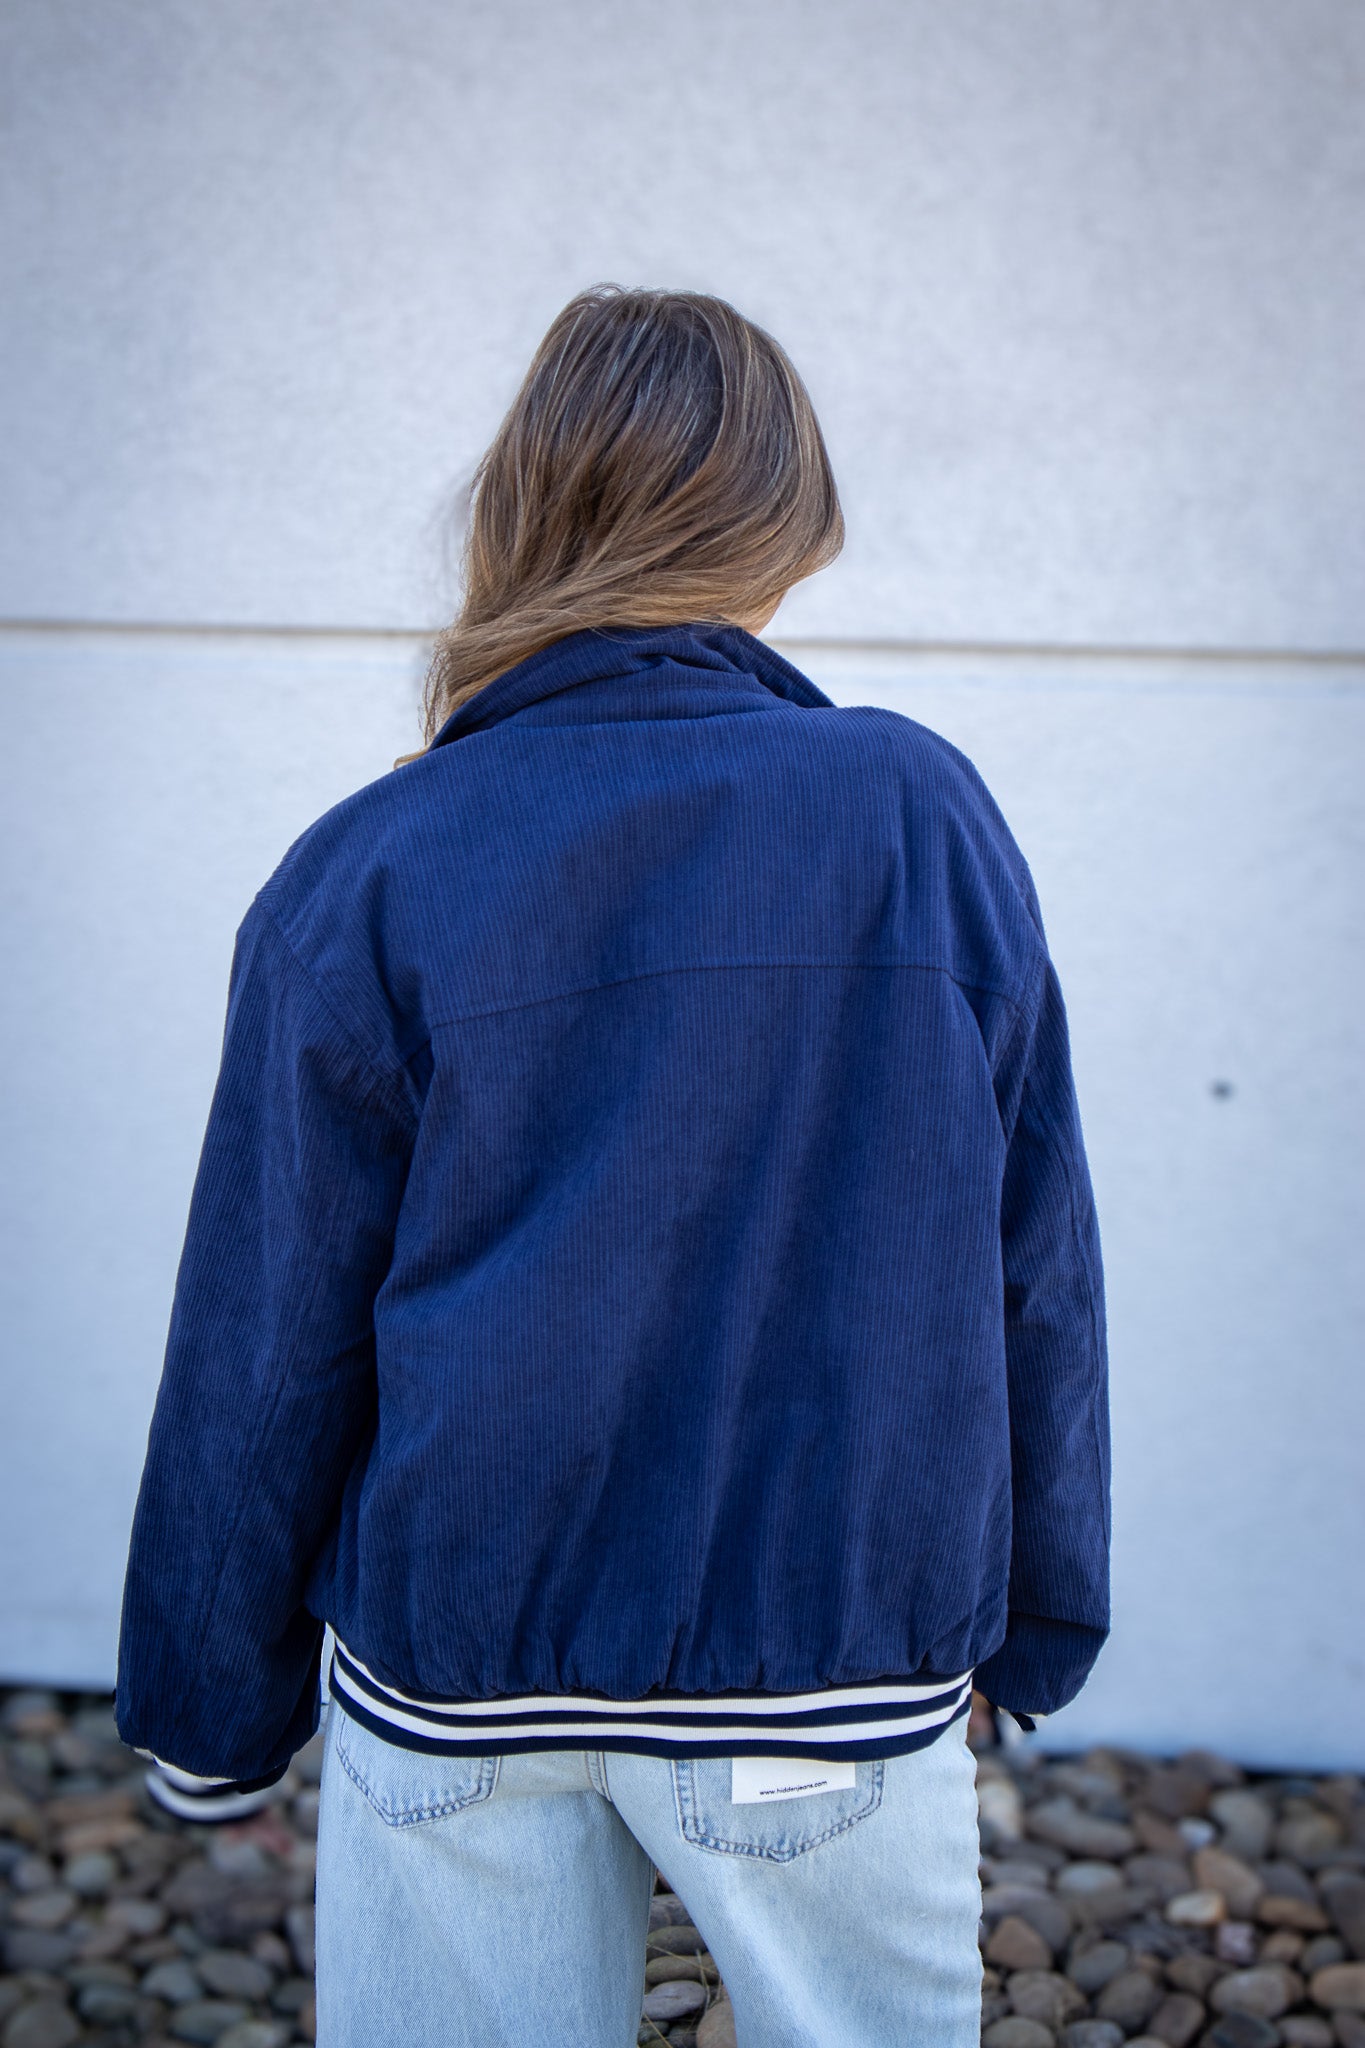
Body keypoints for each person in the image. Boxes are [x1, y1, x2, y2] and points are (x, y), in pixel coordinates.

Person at [115, 285, 1110, 2047]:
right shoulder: (915, 815)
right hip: (826, 1655)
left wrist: (207, 1719)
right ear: (786, 524)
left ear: (525, 511)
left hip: (455, 1658)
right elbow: (1030, 1262)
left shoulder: (371, 861)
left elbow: (266, 1342)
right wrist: (1036, 1626)